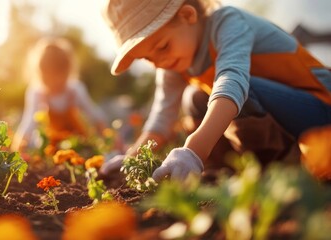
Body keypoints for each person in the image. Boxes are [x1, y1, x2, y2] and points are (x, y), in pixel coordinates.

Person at [99, 0, 331, 181]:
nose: (158, 62)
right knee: (194, 98)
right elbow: (162, 116)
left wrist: (193, 151)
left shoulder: (228, 23)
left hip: (319, 108)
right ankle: (223, 171)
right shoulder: (173, 62)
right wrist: (133, 158)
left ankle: (274, 170)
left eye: (162, 47)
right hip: (280, 119)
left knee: (237, 87)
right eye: (147, 58)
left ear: (188, 15)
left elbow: (232, 79)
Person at [11, 37, 108, 151]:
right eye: (49, 78)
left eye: (59, 76)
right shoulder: (37, 93)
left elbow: (94, 115)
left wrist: (108, 139)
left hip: (77, 145)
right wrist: (17, 150)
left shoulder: (75, 89)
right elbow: (29, 123)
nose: (55, 81)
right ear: (41, 74)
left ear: (68, 71)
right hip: (50, 148)